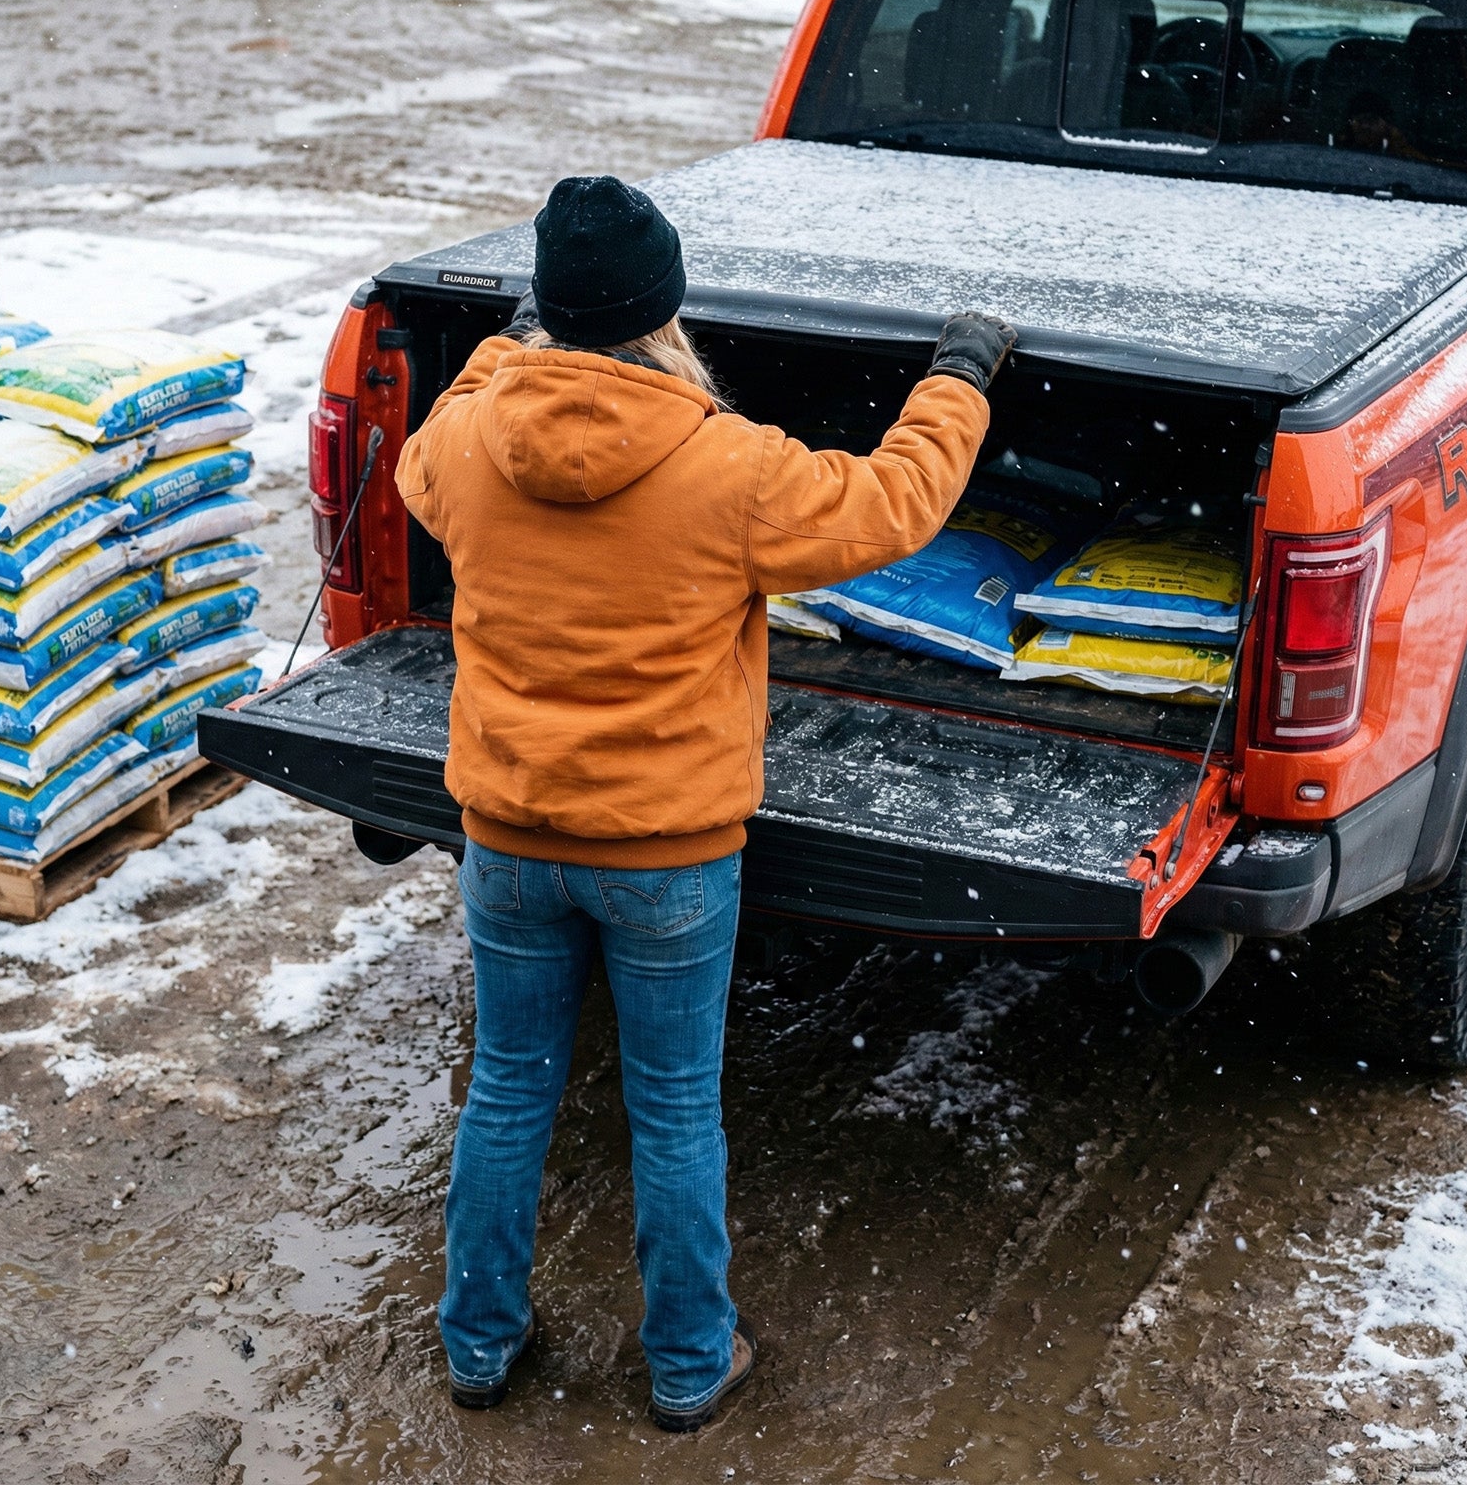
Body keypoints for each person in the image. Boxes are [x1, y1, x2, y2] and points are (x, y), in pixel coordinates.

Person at [396, 174, 1015, 1431]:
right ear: (666, 308)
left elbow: (426, 452)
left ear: (550, 309)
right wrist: (959, 376)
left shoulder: (461, 444)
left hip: (507, 840)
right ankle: (686, 1365)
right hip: (668, 858)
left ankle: (478, 1343)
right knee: (673, 1107)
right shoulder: (728, 468)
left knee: (509, 1087)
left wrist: (502, 353)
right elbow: (895, 501)